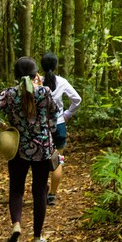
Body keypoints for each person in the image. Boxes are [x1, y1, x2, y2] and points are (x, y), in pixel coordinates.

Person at [0, 56, 57, 242]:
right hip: (42, 148)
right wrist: (49, 132)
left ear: (16, 76)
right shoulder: (45, 92)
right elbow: (53, 114)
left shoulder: (8, 94)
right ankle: (37, 238)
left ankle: (16, 226)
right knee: (39, 191)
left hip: (17, 148)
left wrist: (1, 128)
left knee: (16, 189)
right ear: (35, 74)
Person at [40, 51, 81, 206]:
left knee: (42, 161)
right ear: (55, 66)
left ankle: (42, 191)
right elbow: (77, 99)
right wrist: (67, 114)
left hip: (42, 128)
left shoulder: (38, 83)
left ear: (42, 66)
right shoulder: (62, 82)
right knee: (58, 160)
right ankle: (52, 195)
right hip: (59, 126)